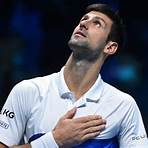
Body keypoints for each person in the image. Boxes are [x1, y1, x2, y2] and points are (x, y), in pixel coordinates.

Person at [0, 3, 148, 148]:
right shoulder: (27, 90)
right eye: (84, 19)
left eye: (97, 23)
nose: (83, 24)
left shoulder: (124, 105)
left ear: (110, 47)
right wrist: (54, 140)